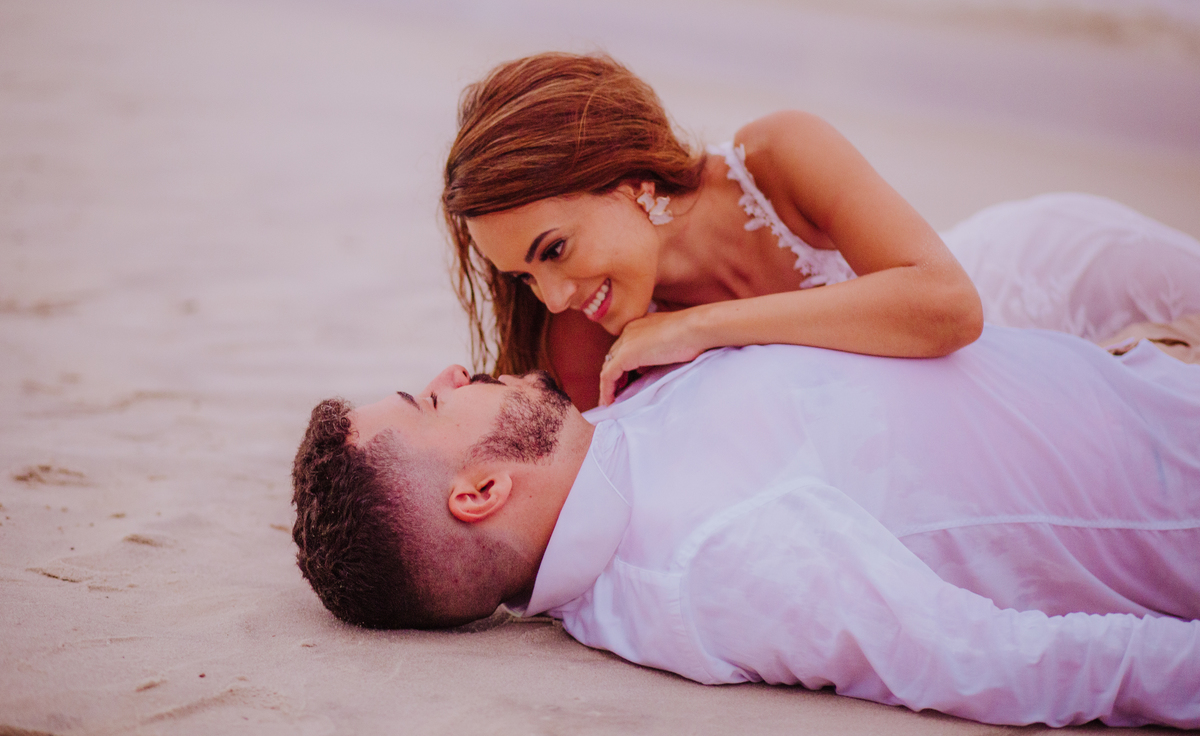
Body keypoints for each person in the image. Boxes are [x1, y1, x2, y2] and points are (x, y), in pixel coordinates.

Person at [291, 325, 1200, 728]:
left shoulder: (601, 442)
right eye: (430, 398)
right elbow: (1003, 663)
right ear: (481, 491)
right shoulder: (712, 563)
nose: (452, 369)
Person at [441, 52, 1200, 409]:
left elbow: (950, 307)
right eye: (524, 278)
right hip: (991, 394)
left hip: (1042, 269)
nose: (557, 294)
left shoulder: (776, 159)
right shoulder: (582, 338)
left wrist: (699, 328)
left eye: (554, 251)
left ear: (631, 179)